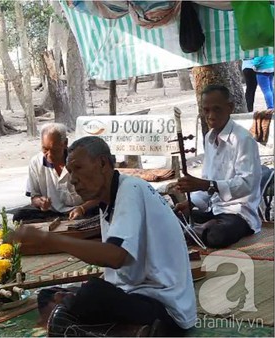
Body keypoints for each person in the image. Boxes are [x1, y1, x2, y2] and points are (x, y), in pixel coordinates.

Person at [13, 136, 197, 336]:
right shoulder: (108, 199)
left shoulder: (130, 189)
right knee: (48, 296)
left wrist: (47, 239)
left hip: (165, 308)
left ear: (102, 163)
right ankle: (129, 332)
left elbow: (115, 257)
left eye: (78, 168)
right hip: (135, 294)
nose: (72, 179)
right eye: (70, 171)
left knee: (91, 294)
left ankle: (127, 330)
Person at [175, 85, 261, 248]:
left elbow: (247, 184)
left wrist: (208, 185)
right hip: (214, 210)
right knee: (172, 217)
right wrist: (191, 203)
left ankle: (196, 232)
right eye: (206, 110)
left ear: (230, 108)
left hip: (238, 213)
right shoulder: (209, 138)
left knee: (217, 235)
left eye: (217, 109)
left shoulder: (243, 139)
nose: (211, 116)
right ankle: (198, 230)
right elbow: (206, 181)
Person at [12, 123, 97, 222]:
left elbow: (99, 196)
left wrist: (82, 209)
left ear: (65, 143)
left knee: (99, 212)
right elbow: (34, 197)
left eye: (54, 150)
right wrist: (40, 202)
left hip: (82, 209)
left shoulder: (80, 160)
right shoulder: (36, 162)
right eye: (45, 149)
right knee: (20, 216)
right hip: (51, 212)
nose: (49, 155)